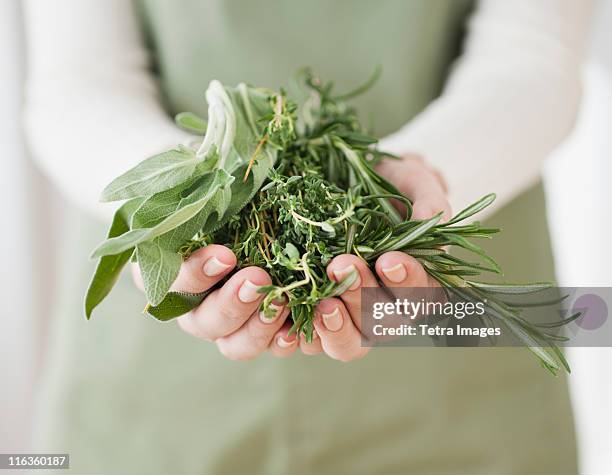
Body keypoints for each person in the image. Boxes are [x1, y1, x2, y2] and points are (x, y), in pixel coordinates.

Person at [23, 1, 593, 473]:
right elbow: (77, 78)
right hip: (164, 376)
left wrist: (429, 183)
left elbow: (534, 54)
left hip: (457, 334)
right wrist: (180, 200)